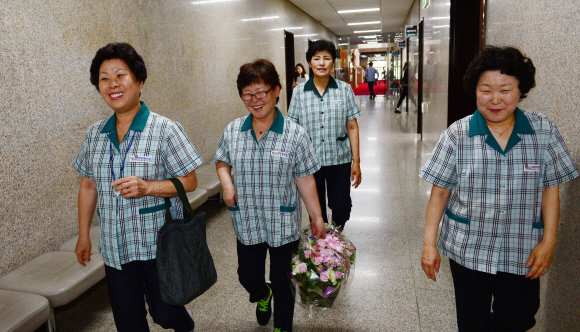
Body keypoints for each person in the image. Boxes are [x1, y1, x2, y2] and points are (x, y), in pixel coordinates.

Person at [419, 46, 579, 332]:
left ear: (521, 90)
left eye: (505, 90)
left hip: (523, 248)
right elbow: (440, 192)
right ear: (475, 90)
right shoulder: (458, 133)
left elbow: (550, 191)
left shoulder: (544, 132)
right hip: (469, 246)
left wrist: (549, 242)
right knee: (472, 322)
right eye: (486, 90)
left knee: (518, 319)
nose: (495, 100)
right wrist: (429, 244)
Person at [74, 43, 201, 332]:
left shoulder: (165, 129)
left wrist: (149, 187)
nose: (112, 84)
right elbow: (88, 185)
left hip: (158, 245)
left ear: (139, 81)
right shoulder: (95, 135)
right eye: (104, 78)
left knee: (166, 314)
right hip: (116, 247)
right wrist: (84, 236)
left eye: (121, 75)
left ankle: (184, 325)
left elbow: (190, 181)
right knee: (128, 324)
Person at [215, 59, 326, 332]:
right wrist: (227, 184)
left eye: (261, 92)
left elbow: (305, 178)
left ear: (277, 91)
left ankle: (282, 326)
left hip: (282, 221)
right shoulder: (233, 130)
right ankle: (262, 295)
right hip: (247, 220)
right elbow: (221, 161)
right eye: (248, 94)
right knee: (247, 277)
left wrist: (316, 216)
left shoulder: (295, 134)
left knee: (283, 280)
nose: (255, 100)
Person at [288, 39, 362, 230]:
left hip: (339, 158)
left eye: (326, 58)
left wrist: (357, 161)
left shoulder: (345, 90)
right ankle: (323, 244)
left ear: (333, 62)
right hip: (310, 162)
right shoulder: (299, 93)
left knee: (342, 207)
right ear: (310, 63)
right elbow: (293, 128)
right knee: (316, 209)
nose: (321, 63)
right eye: (316, 58)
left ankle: (336, 235)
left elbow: (352, 126)